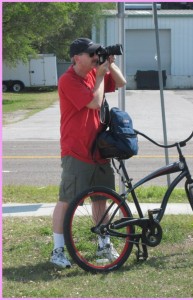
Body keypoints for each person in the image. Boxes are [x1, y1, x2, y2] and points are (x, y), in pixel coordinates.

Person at [50, 38, 126, 268]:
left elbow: (121, 82)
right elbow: (94, 102)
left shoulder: (94, 72)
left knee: (101, 199)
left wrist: (109, 64)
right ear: (76, 57)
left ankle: (104, 243)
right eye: (91, 54)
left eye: (97, 53)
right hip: (76, 151)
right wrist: (101, 75)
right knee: (67, 200)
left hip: (98, 150)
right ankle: (57, 250)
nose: (95, 57)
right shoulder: (68, 80)